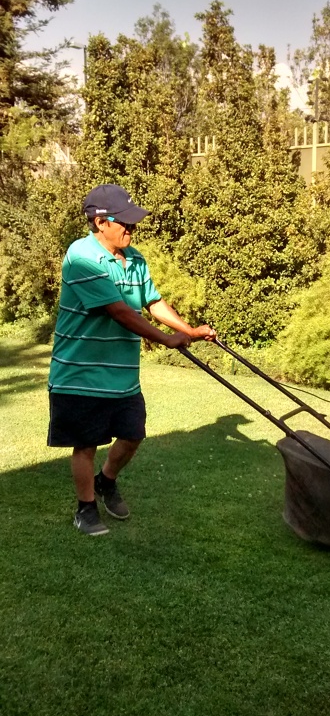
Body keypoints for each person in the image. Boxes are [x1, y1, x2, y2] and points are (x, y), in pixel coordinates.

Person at [47, 183, 216, 536]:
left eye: (132, 222)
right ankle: (86, 509)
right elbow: (119, 311)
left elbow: (152, 303)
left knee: (133, 435)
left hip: (122, 375)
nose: (131, 228)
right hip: (80, 373)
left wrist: (189, 330)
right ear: (100, 222)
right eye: (124, 222)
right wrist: (166, 339)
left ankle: (106, 481)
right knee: (86, 444)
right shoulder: (81, 257)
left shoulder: (135, 258)